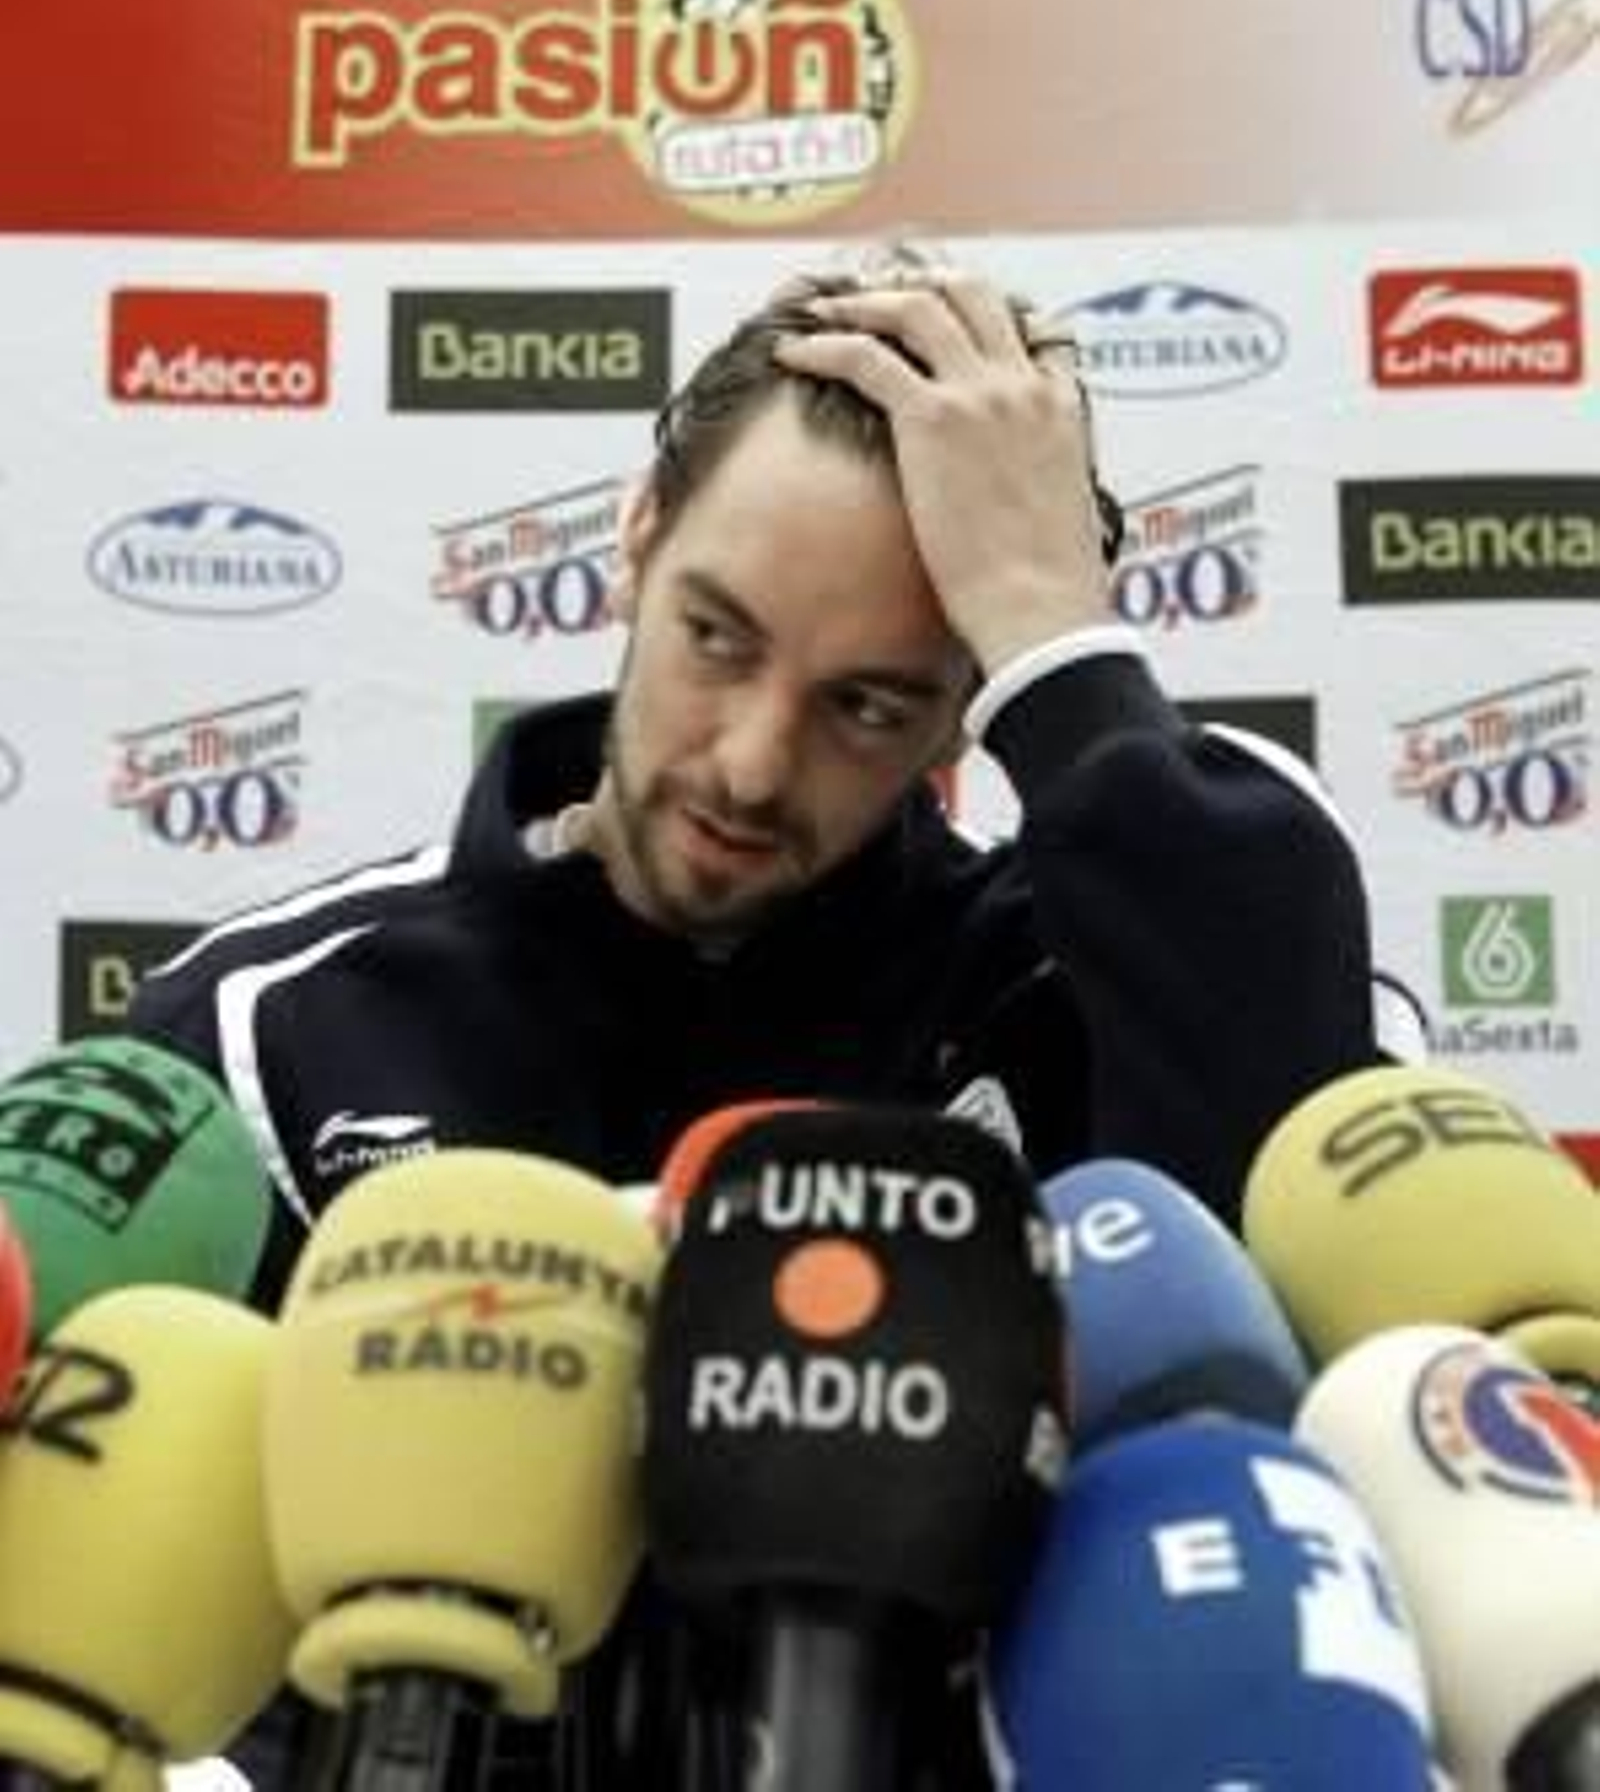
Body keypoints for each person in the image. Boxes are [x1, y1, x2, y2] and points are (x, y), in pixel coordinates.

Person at [130, 243, 1396, 1788]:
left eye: (867, 703)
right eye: (716, 635)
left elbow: (1320, 1208)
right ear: (638, 533)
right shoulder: (271, 1026)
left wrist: (1051, 630)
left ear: (966, 704)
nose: (747, 761)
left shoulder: (1072, 981)